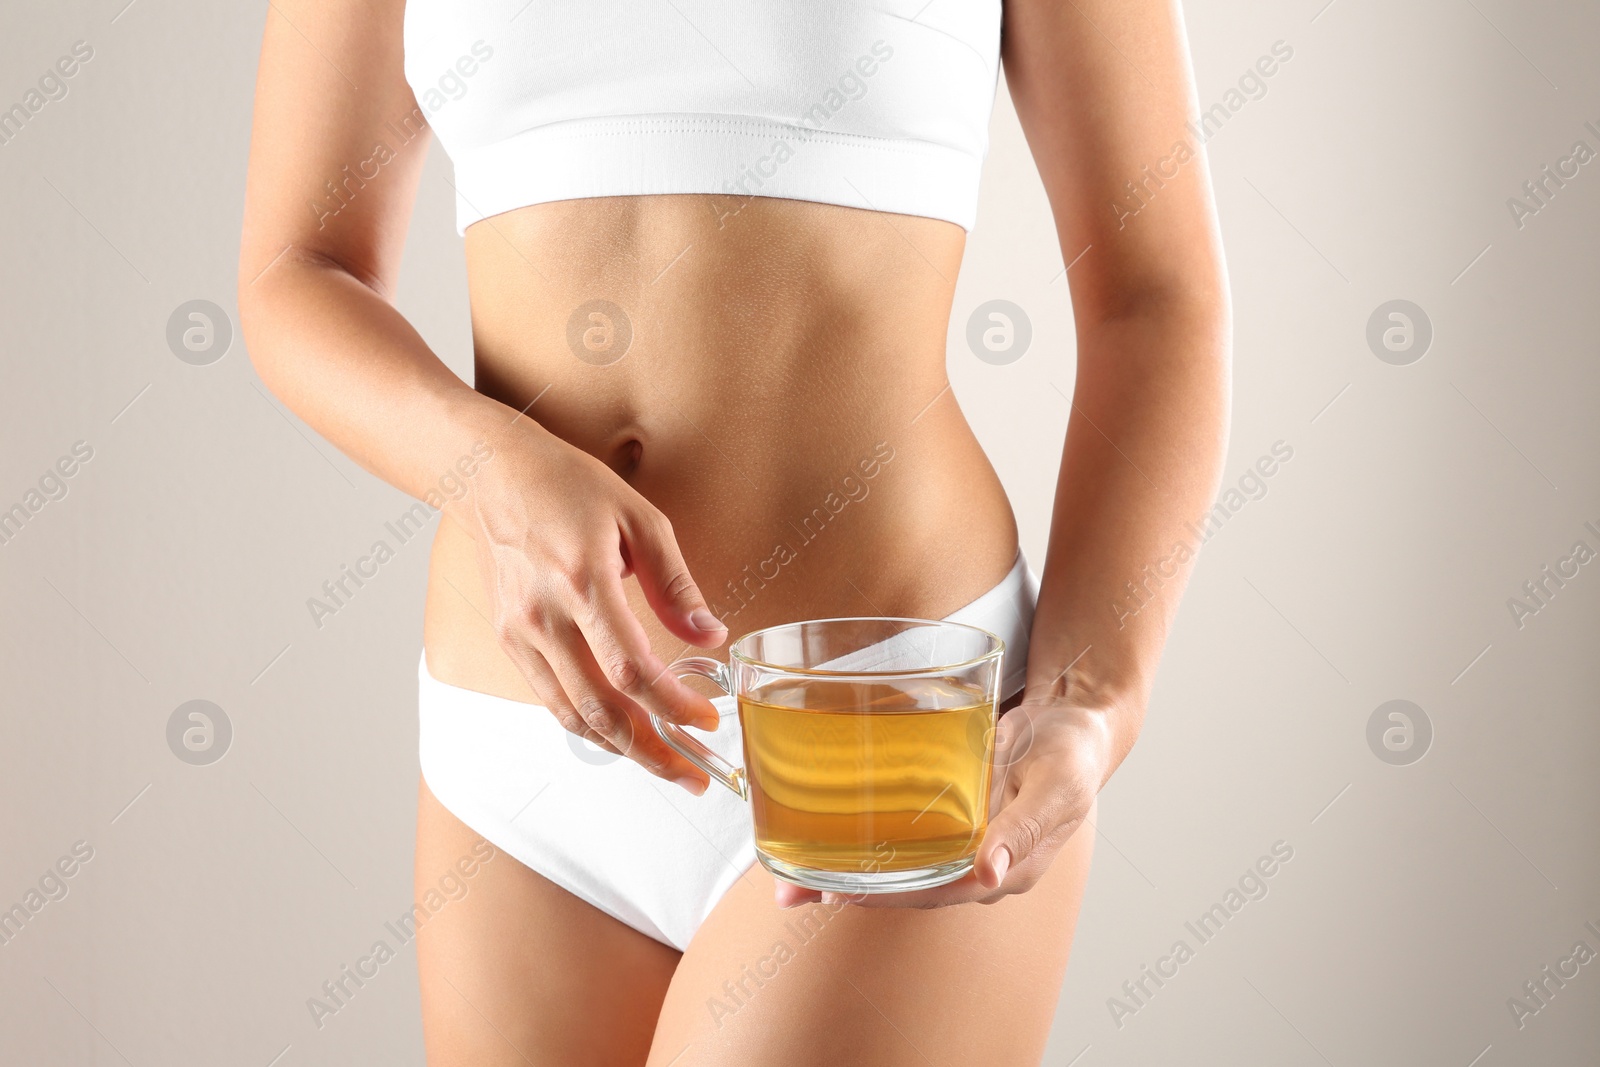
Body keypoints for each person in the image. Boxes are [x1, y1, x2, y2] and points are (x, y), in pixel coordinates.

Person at [238, 0, 1230, 1063]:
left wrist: (1094, 698)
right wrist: (487, 469)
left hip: (889, 714)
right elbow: (297, 268)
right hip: (531, 730)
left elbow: (1153, 295)